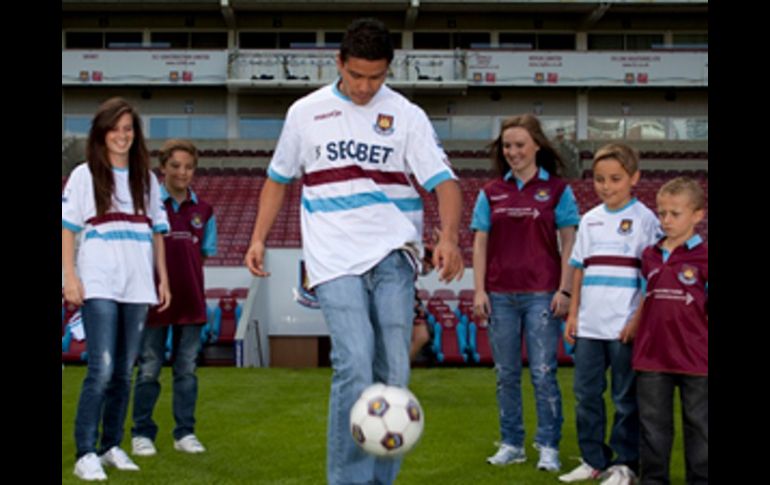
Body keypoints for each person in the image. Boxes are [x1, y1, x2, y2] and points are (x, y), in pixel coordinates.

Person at [244, 18, 464, 485]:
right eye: (357, 75)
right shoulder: (306, 112)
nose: (366, 87)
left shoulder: (407, 115)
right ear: (339, 63)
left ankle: (380, 481)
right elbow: (278, 179)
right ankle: (345, 481)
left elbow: (445, 183)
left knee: (393, 373)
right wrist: (258, 237)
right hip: (333, 255)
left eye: (376, 77)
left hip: (393, 253)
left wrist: (448, 236)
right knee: (355, 360)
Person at [62, 97, 171, 481]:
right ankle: (85, 452)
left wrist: (163, 279)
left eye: (128, 129)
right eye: (115, 128)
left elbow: (157, 233)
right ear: (101, 132)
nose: (122, 136)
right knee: (102, 368)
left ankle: (111, 445)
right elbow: (68, 229)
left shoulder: (147, 179)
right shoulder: (84, 175)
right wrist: (69, 278)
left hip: (138, 284)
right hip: (99, 280)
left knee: (125, 371)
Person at [470, 114, 580, 472]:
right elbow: (480, 243)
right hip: (499, 296)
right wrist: (479, 291)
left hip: (542, 294)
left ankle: (548, 445)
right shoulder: (490, 193)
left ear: (536, 145)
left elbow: (570, 244)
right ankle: (512, 443)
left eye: (519, 144)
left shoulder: (559, 191)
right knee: (505, 374)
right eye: (507, 146)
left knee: (544, 372)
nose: (513, 152)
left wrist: (565, 290)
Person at [560, 143, 661, 485]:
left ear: (634, 178)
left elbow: (652, 276)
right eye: (600, 179)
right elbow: (579, 269)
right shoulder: (590, 220)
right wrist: (573, 314)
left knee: (624, 398)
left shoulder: (646, 220)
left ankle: (625, 464)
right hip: (589, 326)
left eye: (615, 179)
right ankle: (592, 459)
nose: (606, 186)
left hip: (623, 326)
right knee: (587, 395)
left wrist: (637, 320)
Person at [130, 139, 217, 458]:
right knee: (149, 368)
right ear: (162, 167)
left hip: (191, 304)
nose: (183, 172)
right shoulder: (149, 206)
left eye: (189, 166)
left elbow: (204, 255)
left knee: (186, 371)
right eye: (176, 166)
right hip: (154, 303)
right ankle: (141, 433)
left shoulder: (205, 210)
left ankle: (185, 433)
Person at [626, 177, 708, 485]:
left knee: (700, 426)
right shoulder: (649, 255)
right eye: (662, 213)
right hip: (652, 356)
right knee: (653, 428)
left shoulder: (704, 257)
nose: (666, 220)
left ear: (697, 215)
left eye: (675, 213)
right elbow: (646, 298)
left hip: (696, 358)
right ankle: (654, 480)